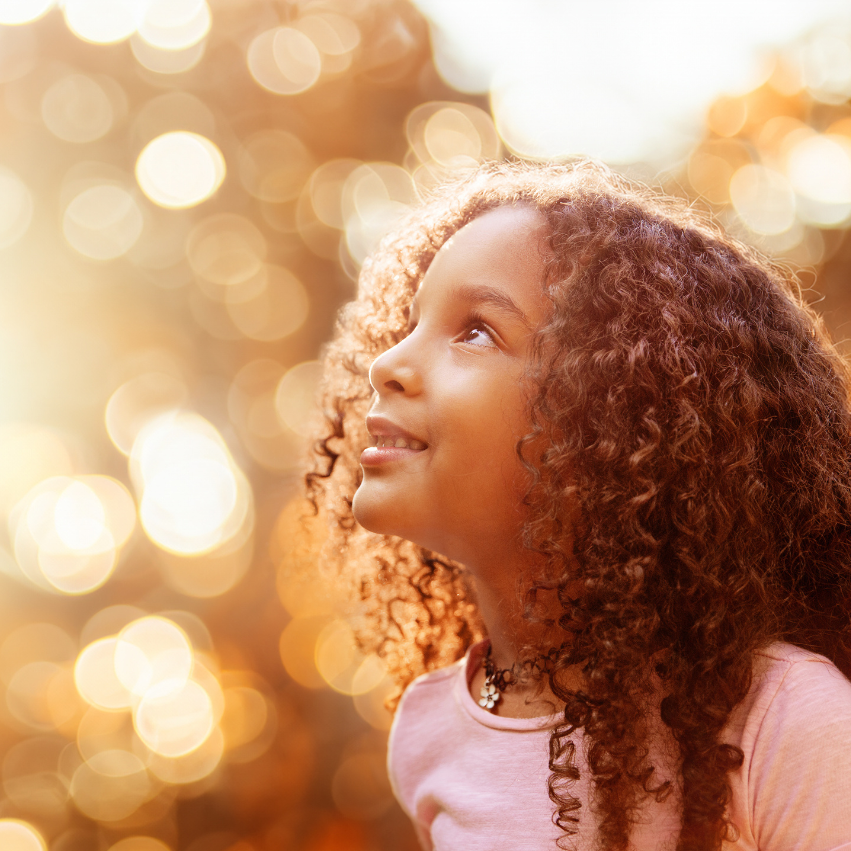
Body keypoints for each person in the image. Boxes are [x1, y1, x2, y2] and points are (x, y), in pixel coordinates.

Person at [305, 161, 851, 851]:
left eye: (475, 330)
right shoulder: (428, 732)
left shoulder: (787, 721)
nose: (388, 362)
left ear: (612, 425)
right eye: (410, 323)